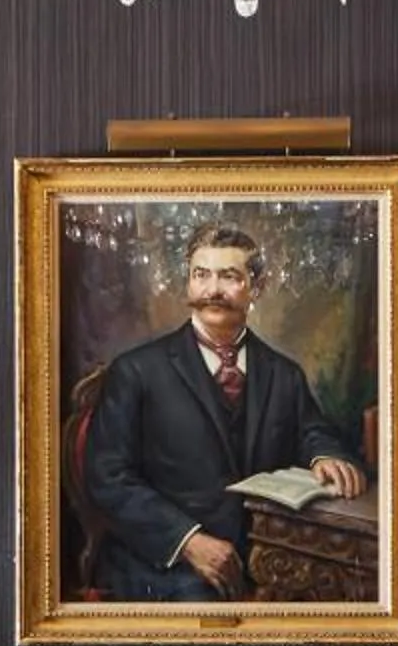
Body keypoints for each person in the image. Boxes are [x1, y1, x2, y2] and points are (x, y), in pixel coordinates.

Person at [77, 222, 366, 601]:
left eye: (229, 276)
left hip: (267, 553)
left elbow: (312, 429)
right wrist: (188, 541)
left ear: (255, 289)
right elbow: (107, 476)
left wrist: (326, 453)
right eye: (201, 275)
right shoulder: (136, 370)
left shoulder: (284, 373)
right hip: (161, 560)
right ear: (188, 284)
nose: (212, 290)